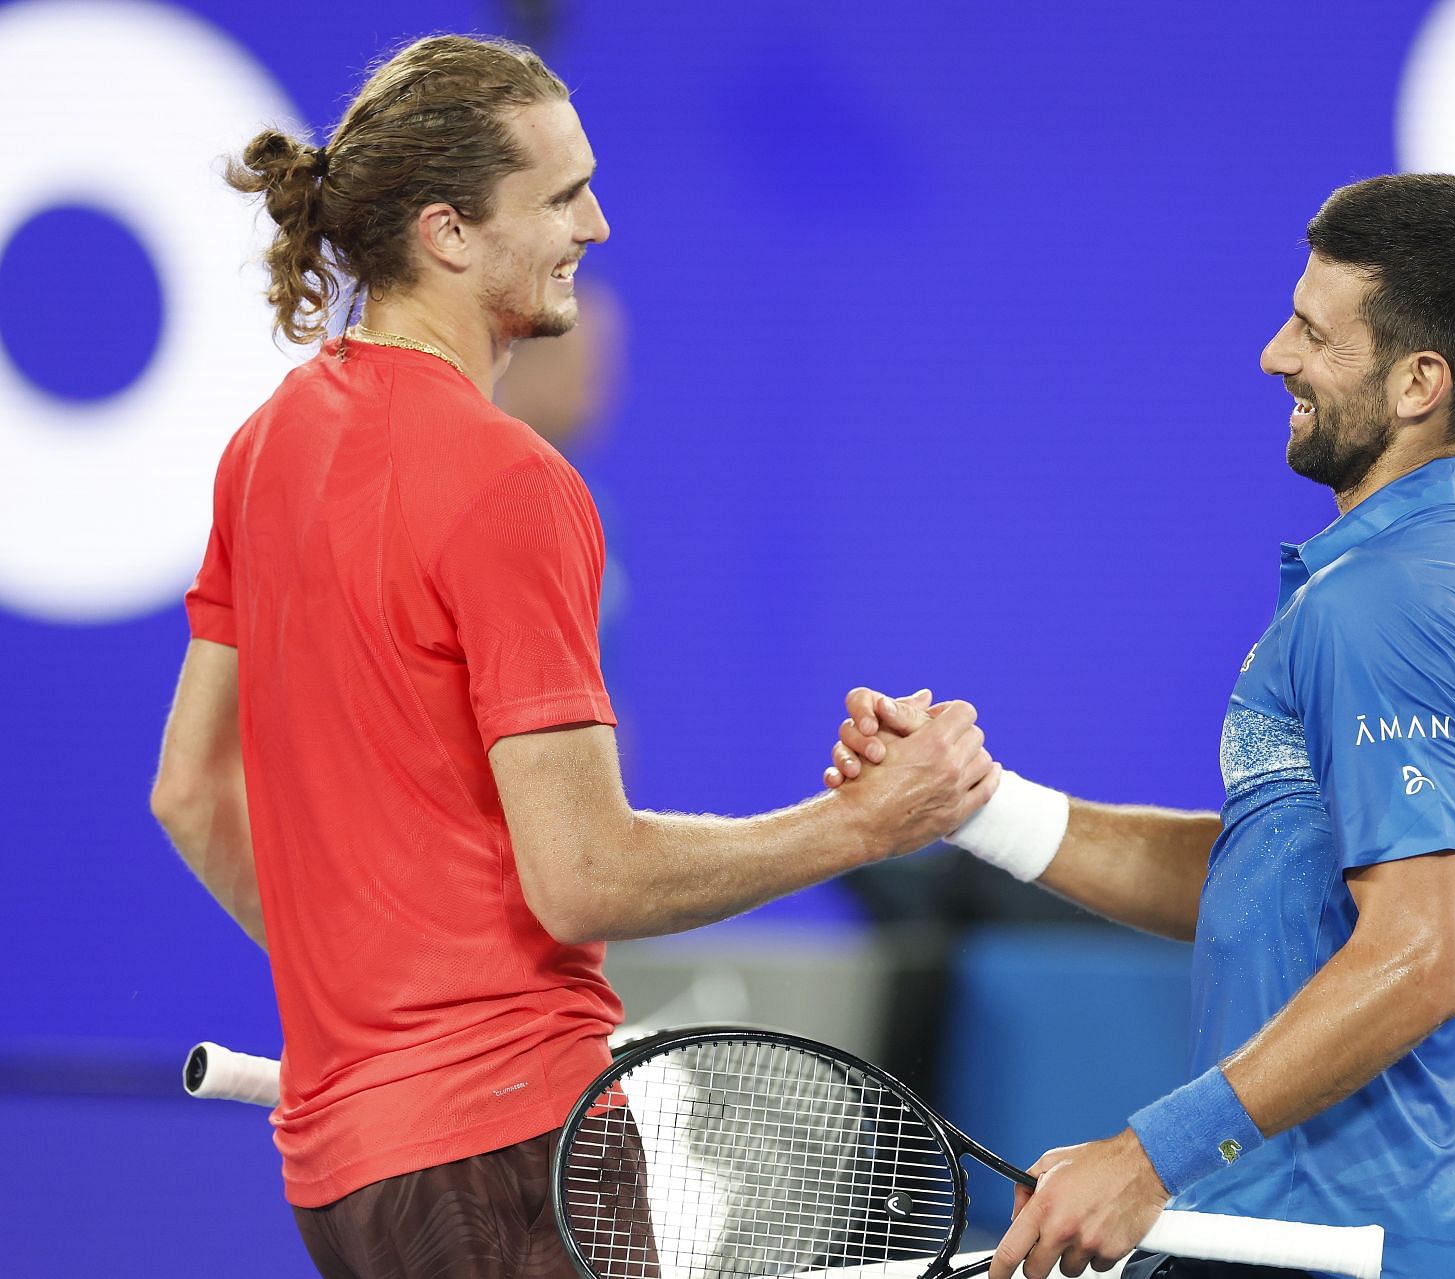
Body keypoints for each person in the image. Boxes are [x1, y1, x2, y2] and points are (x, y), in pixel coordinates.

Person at [147, 35, 997, 1279]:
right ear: (446, 231)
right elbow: (585, 875)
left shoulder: (265, 447)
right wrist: (866, 823)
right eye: (560, 196)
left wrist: (369, 1013)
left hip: (344, 1165)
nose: (597, 226)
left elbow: (187, 790)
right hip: (507, 1147)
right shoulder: (508, 482)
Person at [829, 174, 1455, 1278]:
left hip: (1321, 1250)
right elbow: (1268, 884)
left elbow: (1418, 957)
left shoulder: (1389, 606)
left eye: (1315, 333)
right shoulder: (1445, 582)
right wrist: (976, 805)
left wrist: (1147, 1158)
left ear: (1419, 382)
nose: (1276, 355)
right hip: (1310, 1236)